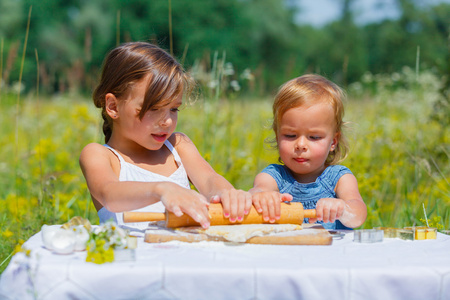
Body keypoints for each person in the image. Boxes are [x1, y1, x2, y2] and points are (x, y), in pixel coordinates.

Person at [79, 42, 252, 232]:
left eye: (174, 109)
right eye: (153, 109)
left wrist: (228, 195)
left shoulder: (178, 146)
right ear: (113, 107)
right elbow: (109, 195)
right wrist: (161, 190)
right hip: (132, 259)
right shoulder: (99, 155)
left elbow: (210, 180)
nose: (167, 121)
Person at [250, 74, 367, 229]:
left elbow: (358, 215)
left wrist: (342, 208)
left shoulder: (339, 178)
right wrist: (262, 197)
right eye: (290, 135)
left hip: (332, 251)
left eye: (314, 137)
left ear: (333, 141)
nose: (301, 145)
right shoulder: (274, 176)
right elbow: (258, 190)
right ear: (277, 136)